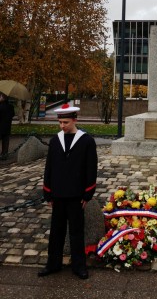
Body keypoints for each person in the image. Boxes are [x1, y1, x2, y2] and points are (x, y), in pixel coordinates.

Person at [38, 104, 97, 280]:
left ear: (74, 120)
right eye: (60, 122)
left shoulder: (86, 140)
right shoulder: (56, 140)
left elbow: (91, 168)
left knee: (76, 232)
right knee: (56, 231)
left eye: (65, 122)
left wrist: (88, 194)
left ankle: (79, 266)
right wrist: (47, 192)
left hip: (76, 196)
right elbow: (49, 167)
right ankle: (53, 264)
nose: (62, 126)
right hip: (57, 195)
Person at [0, 93, 15, 158]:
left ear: (3, 98)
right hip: (7, 127)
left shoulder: (0, 106)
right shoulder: (11, 106)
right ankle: (4, 154)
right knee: (5, 141)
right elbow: (13, 114)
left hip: (0, 127)